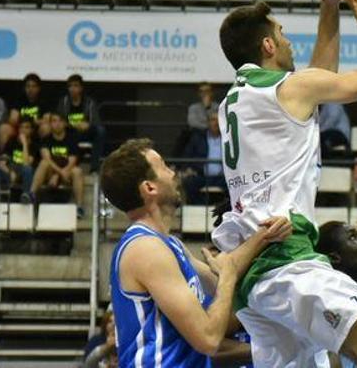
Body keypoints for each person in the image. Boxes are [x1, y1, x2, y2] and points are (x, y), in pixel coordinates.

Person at [211, 0, 357, 367]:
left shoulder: (236, 98)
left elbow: (320, 78)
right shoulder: (286, 89)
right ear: (267, 44)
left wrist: (329, 5)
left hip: (252, 271)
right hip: (286, 257)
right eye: (281, 33)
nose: (287, 40)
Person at [100, 139, 288, 367]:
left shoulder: (169, 244)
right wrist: (228, 280)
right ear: (150, 188)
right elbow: (208, 339)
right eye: (164, 166)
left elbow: (219, 274)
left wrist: (266, 234)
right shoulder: (145, 249)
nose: (173, 172)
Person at [31, 113, 84, 211]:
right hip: (51, 171)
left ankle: (79, 207)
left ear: (64, 123)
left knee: (77, 171)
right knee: (43, 163)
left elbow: (72, 161)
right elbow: (47, 159)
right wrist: (59, 173)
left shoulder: (71, 139)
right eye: (54, 121)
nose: (58, 124)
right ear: (50, 124)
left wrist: (60, 174)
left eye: (60, 121)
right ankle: (32, 194)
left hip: (67, 172)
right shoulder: (46, 139)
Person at [56, 74, 106, 171]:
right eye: (70, 86)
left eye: (75, 86)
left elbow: (96, 122)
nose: (72, 89)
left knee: (100, 131)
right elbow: (58, 120)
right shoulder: (64, 102)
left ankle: (94, 167)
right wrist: (74, 125)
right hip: (69, 132)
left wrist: (87, 125)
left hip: (85, 132)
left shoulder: (89, 102)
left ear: (81, 88)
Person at [180, 112, 228, 205]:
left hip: (222, 177)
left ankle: (225, 210)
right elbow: (187, 155)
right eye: (213, 120)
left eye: (218, 120)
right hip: (202, 175)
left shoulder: (227, 138)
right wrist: (188, 169)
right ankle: (200, 211)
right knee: (189, 184)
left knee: (234, 185)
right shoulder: (198, 138)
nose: (216, 123)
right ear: (208, 122)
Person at [1, 73, 50, 150]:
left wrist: (28, 123)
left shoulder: (44, 100)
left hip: (36, 130)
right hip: (20, 128)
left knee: (46, 127)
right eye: (28, 86)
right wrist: (26, 124)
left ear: (39, 88)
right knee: (4, 128)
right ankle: (4, 158)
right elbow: (13, 119)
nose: (31, 89)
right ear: (24, 88)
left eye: (34, 86)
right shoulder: (19, 99)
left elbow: (46, 120)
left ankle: (43, 155)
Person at [0, 117, 38, 202]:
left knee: (28, 169)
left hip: (24, 172)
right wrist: (10, 172)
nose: (23, 130)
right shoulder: (12, 141)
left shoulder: (35, 145)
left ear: (32, 130)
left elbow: (26, 163)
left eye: (27, 127)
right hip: (11, 171)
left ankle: (26, 196)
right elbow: (2, 161)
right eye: (21, 127)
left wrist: (24, 144)